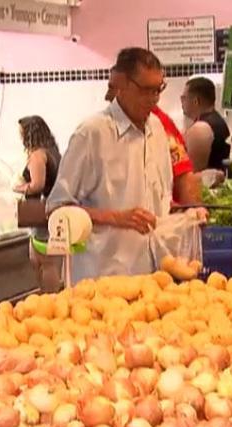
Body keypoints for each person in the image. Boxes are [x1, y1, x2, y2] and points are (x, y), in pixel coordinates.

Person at [47, 47, 173, 282]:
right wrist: (116, 217)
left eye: (158, 89)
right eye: (146, 90)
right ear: (121, 84)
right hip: (101, 280)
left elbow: (162, 199)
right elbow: (57, 209)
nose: (154, 99)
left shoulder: (157, 129)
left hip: (153, 279)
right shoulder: (91, 134)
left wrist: (186, 217)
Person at [106, 66, 201, 205]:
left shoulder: (160, 125)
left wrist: (192, 215)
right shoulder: (101, 129)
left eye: (112, 88)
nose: (107, 96)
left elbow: (184, 176)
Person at [14, 115, 61, 293]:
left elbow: (37, 185)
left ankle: (50, 297)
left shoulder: (37, 155)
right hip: (52, 211)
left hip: (41, 213)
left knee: (45, 261)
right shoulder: (52, 152)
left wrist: (20, 187)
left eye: (22, 134)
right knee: (43, 258)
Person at [180, 77, 232, 177]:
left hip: (205, 190)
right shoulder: (218, 121)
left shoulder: (201, 128)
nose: (181, 102)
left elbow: (192, 176)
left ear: (196, 101)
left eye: (183, 98)